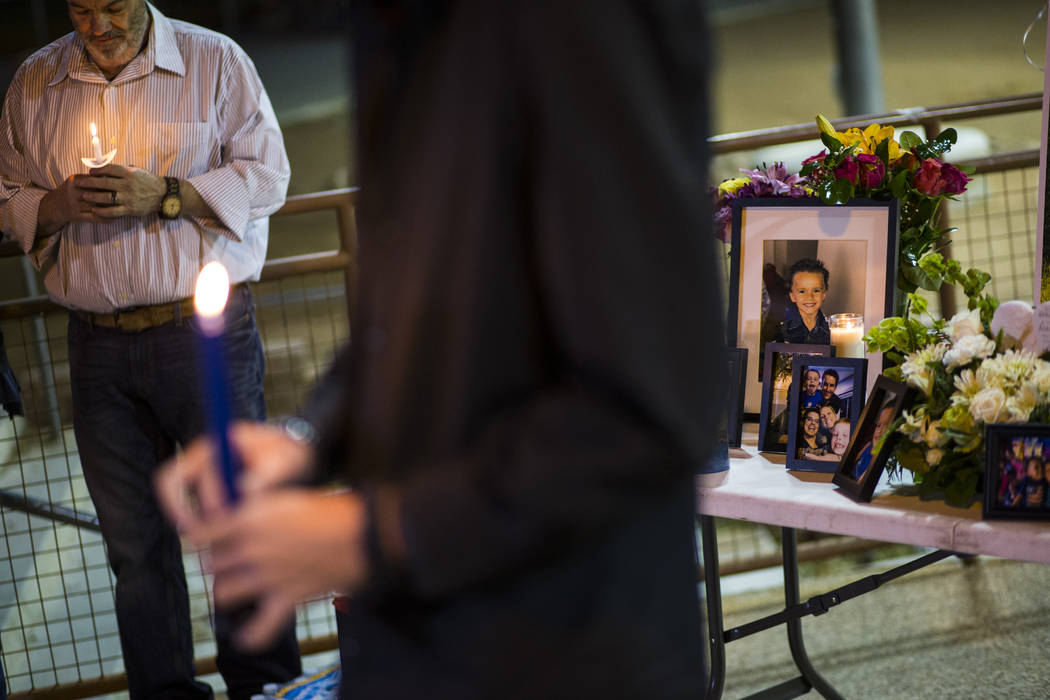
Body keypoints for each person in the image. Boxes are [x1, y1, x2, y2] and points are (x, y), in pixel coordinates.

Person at [156, 1, 724, 698]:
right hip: (428, 649)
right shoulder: (402, 28)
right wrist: (309, 440)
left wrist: (371, 535)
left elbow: (649, 401)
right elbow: (412, 313)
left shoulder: (583, 20)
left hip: (560, 650)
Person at [0, 2, 301, 697]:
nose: (97, 24)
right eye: (82, 8)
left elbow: (270, 175)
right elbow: (7, 195)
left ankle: (265, 689)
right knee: (135, 550)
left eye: (113, 7)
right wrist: (56, 208)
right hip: (97, 348)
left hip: (204, 339)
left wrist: (164, 194)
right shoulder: (35, 83)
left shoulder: (214, 61)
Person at [775, 258, 831, 345]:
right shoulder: (783, 331)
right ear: (792, 296)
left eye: (816, 290)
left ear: (824, 294)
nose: (809, 297)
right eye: (802, 291)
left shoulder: (833, 330)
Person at [851, 401, 896, 480]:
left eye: (887, 425)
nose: (879, 431)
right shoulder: (869, 445)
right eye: (878, 425)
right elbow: (852, 462)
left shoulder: (882, 459)